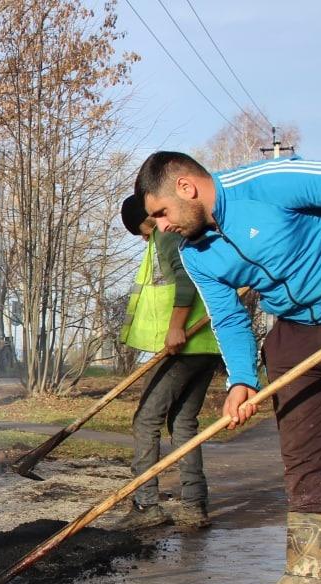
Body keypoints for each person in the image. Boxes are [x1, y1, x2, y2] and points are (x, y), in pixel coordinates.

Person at [136, 151, 321, 584]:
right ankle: (311, 581)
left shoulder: (268, 182)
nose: (161, 226)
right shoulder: (196, 253)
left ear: (187, 188)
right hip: (296, 329)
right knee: (302, 456)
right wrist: (241, 380)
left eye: (161, 212)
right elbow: (229, 317)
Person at [112, 194, 222, 531]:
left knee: (146, 420)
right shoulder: (189, 232)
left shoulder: (167, 233)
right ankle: (194, 505)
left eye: (143, 230)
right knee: (184, 422)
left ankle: (147, 505)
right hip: (207, 343)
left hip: (185, 343)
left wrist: (175, 328)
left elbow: (186, 279)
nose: (147, 237)